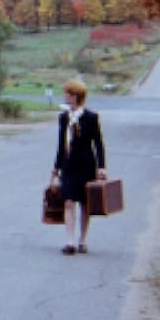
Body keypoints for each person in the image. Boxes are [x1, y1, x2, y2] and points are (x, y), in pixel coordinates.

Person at [52, 78, 106, 255]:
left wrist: (101, 166)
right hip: (69, 165)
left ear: (76, 96)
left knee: (85, 203)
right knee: (68, 201)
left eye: (68, 93)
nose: (65, 96)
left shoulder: (91, 117)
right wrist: (56, 167)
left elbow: (98, 142)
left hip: (86, 164)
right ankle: (70, 242)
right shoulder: (64, 117)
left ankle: (83, 240)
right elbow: (61, 144)